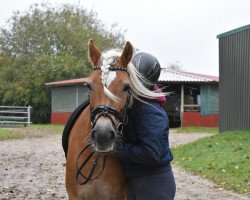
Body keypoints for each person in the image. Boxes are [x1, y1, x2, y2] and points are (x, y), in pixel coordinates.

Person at [116, 52, 176, 200]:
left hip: (153, 183)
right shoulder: (137, 105)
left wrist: (118, 148)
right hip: (139, 179)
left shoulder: (150, 110)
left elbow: (151, 154)